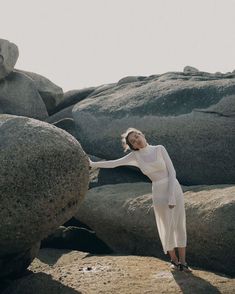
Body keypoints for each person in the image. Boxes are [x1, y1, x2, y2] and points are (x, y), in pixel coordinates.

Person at [89, 127, 192, 272]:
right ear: (132, 146)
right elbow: (114, 163)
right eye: (132, 140)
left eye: (137, 135)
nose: (136, 139)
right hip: (157, 190)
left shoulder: (159, 149)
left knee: (178, 224)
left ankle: (183, 262)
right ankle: (174, 261)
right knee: (166, 225)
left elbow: (172, 171)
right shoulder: (135, 156)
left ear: (142, 135)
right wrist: (93, 164)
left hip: (172, 187)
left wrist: (171, 195)